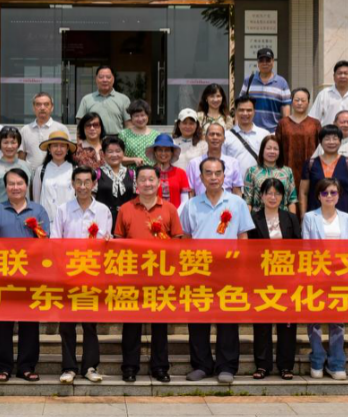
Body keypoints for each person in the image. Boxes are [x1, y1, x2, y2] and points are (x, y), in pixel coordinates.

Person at [179, 157, 254, 384]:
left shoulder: (237, 203)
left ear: (224, 176)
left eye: (218, 173)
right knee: (197, 319)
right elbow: (186, 238)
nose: (213, 177)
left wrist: (243, 268)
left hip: (228, 271)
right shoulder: (191, 205)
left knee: (228, 319)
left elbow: (243, 236)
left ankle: (227, 366)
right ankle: (201, 364)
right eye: (208, 173)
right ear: (201, 177)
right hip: (199, 270)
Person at [113, 165, 183, 383]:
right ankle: (129, 367)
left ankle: (160, 367)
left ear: (158, 182)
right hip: (132, 275)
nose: (147, 183)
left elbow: (177, 240)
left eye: (151, 179)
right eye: (142, 179)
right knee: (131, 324)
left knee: (160, 324)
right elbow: (118, 241)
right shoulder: (126, 209)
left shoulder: (169, 209)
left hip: (161, 276)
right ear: (136, 184)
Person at [0, 169, 50, 382]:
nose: (15, 187)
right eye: (11, 184)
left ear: (26, 185)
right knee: (3, 323)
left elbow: (45, 241)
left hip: (31, 276)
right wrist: (10, 255)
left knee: (29, 322)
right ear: (5, 187)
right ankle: (2, 367)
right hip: (3, 275)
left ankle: (26, 366)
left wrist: (25, 255)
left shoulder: (38, 210)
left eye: (19, 183)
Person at [51, 167, 113, 385]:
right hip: (68, 275)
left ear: (94, 184)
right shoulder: (63, 210)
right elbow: (55, 241)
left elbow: (107, 243)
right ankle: (68, 368)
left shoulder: (103, 211)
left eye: (87, 182)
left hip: (93, 276)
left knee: (90, 324)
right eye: (79, 182)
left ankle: (89, 366)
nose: (83, 186)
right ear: (73, 184)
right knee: (67, 324)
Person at [247, 178, 301, 380]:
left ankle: (286, 365)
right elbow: (248, 250)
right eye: (268, 193)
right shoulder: (253, 219)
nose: (272, 197)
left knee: (287, 323)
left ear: (283, 197)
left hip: (287, 278)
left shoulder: (291, 218)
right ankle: (263, 365)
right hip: (261, 278)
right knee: (262, 322)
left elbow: (298, 247)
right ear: (261, 196)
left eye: (277, 193)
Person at [301, 179, 348, 381]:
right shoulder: (310, 217)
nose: (329, 196)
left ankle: (336, 362)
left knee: (337, 321)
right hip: (317, 274)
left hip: (340, 275)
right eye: (325, 193)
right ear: (318, 196)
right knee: (314, 319)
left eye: (333, 192)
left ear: (339, 195)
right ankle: (317, 359)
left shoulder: (347, 218)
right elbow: (306, 247)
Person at [300, 125, 348, 217]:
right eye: (327, 139)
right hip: (315, 216)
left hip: (342, 215)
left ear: (340, 141)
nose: (331, 142)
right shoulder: (311, 163)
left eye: (335, 138)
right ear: (320, 142)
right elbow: (303, 193)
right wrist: (303, 217)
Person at [276, 88, 321, 204]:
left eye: (303, 100)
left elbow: (320, 148)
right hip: (287, 170)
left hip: (310, 172)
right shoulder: (283, 123)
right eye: (296, 100)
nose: (300, 103)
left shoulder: (315, 124)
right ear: (292, 101)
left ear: (308, 102)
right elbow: (277, 147)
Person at [309, 60, 348, 134]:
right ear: (334, 76)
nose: (343, 76)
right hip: (329, 138)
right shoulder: (323, 94)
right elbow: (314, 120)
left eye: (346, 73)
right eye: (339, 73)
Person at [240, 47, 291, 133]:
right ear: (258, 63)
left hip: (273, 132)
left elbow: (286, 112)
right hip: (251, 132)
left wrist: (285, 131)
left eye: (268, 60)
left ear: (273, 61)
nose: (265, 63)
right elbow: (240, 105)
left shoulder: (282, 82)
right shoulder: (248, 81)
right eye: (261, 60)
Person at [186, 123, 243, 197]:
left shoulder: (233, 163)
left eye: (218, 135)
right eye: (212, 134)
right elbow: (191, 191)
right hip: (200, 203)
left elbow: (237, 191)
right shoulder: (194, 163)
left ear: (224, 139)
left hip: (227, 204)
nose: (215, 137)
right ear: (205, 138)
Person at [32, 130, 76, 223]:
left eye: (62, 146)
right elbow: (36, 199)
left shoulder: (75, 169)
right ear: (49, 148)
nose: (58, 149)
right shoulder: (41, 170)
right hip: (46, 222)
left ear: (67, 148)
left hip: (70, 221)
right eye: (55, 145)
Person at [243, 136, 297, 213]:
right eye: (268, 148)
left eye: (275, 149)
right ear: (262, 150)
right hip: (258, 217)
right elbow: (248, 201)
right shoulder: (252, 171)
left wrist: (292, 218)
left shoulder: (287, 172)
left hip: (283, 216)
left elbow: (292, 200)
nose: (272, 151)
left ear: (280, 152)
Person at [0, 126, 32, 207]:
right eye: (5, 142)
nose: (9, 146)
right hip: (1, 213)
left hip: (26, 213)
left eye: (13, 142)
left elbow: (32, 195)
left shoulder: (27, 166)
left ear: (18, 144)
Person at [313, 110, 348, 176]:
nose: (346, 125)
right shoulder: (323, 146)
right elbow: (313, 169)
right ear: (334, 123)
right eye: (342, 122)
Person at [75, 65, 131, 135]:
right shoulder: (86, 99)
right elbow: (80, 125)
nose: (105, 80)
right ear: (96, 79)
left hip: (116, 140)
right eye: (101, 77)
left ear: (113, 79)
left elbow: (129, 125)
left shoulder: (124, 99)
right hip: (93, 139)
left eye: (108, 77)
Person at [223, 96, 271, 174]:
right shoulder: (226, 136)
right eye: (241, 110)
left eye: (249, 110)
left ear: (254, 112)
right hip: (234, 181)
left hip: (259, 180)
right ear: (235, 112)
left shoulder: (264, 134)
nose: (245, 113)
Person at [19, 92, 67, 168]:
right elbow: (21, 157)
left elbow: (67, 153)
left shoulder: (61, 129)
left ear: (52, 107)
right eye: (38, 104)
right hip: (31, 174)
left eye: (46, 104)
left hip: (55, 172)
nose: (42, 108)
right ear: (33, 108)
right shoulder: (25, 130)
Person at [95, 136, 136, 225]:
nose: (114, 155)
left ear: (123, 153)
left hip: (128, 219)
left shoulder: (132, 174)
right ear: (103, 154)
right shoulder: (97, 174)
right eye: (110, 152)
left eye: (118, 151)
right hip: (103, 220)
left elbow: (136, 198)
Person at [147, 133, 190, 209]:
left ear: (172, 153)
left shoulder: (180, 173)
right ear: (154, 152)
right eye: (160, 150)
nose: (163, 153)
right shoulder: (147, 173)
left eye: (167, 150)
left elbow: (185, 200)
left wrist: (177, 213)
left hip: (177, 213)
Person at [119, 99, 159, 166]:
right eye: (136, 116)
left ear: (148, 116)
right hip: (131, 171)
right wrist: (133, 159)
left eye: (142, 115)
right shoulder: (124, 134)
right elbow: (118, 157)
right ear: (131, 117)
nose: (140, 119)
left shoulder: (156, 135)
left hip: (152, 171)